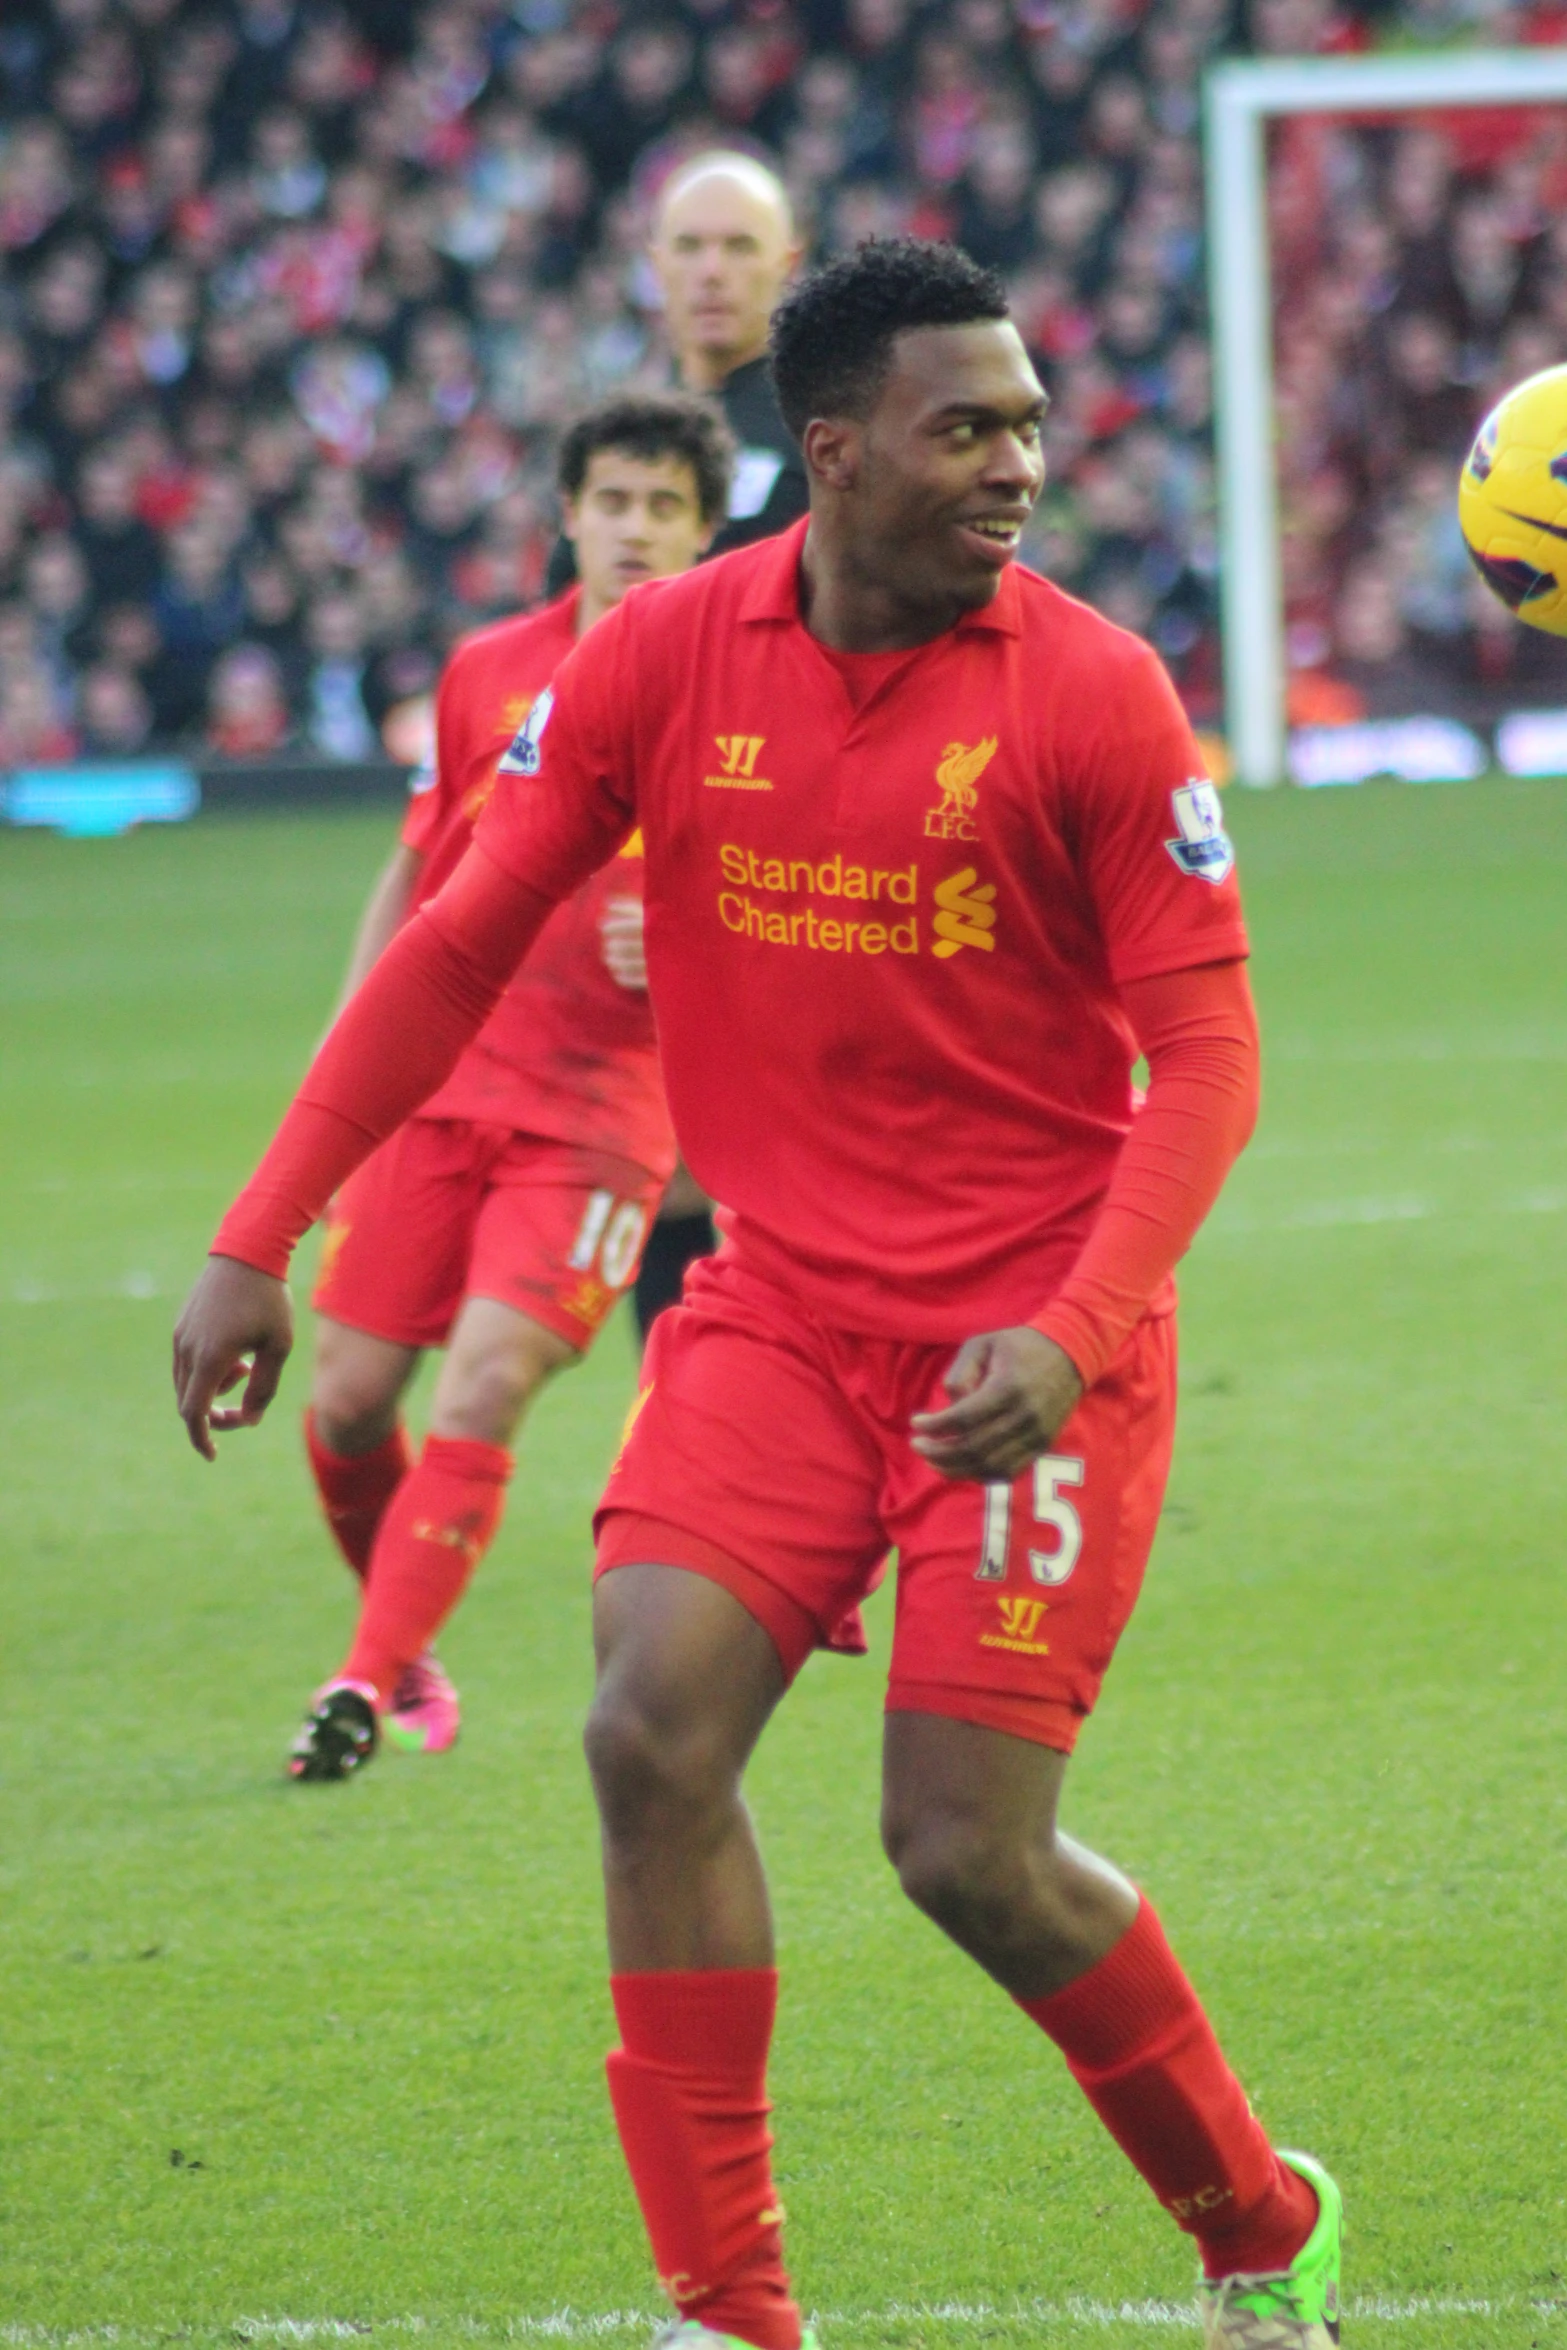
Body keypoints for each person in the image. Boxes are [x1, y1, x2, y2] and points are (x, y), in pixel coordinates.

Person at [174, 242, 1343, 2345]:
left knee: (965, 1854)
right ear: (829, 453)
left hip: (1033, 1344)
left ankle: (1259, 2221)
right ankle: (730, 2309)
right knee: (646, 1730)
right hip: (784, 1316)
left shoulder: (1088, 688)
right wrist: (265, 1232)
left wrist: (1071, 1329)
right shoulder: (657, 662)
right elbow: (450, 942)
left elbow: (1214, 1057)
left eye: (1027, 422)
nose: (1020, 463)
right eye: (965, 427)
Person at [285, 391, 733, 1780]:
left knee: (484, 1381)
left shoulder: (739, 694)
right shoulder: (487, 672)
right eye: (613, 501)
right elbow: (421, 875)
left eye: (664, 506)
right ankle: (403, 1638)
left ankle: (357, 1685)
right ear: (567, 516)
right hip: (447, 1084)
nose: (635, 528)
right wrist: (353, 1066)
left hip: (605, 1113)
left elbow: (799, 902)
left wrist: (680, 931)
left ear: (706, 531)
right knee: (348, 1400)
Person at [552, 151, 809, 1341]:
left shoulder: (824, 431)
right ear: (651, 268)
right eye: (689, 247)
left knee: (754, 1194)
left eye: (738, 247)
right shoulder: (624, 445)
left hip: (794, 868)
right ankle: (691, 1471)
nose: (712, 273)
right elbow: (576, 676)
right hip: (646, 885)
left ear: (787, 265)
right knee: (670, 1193)